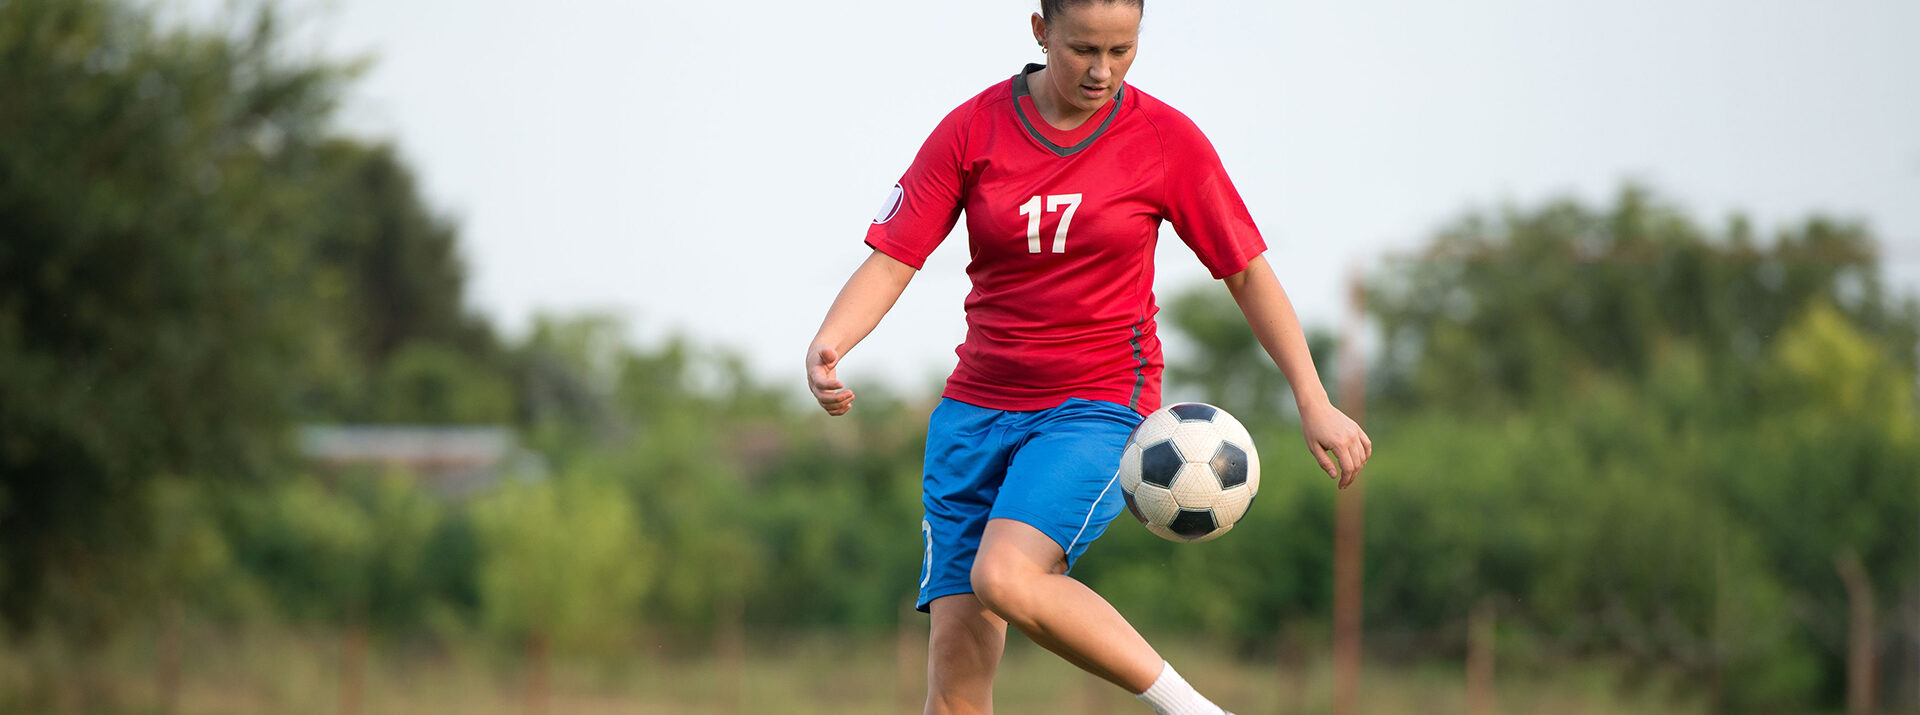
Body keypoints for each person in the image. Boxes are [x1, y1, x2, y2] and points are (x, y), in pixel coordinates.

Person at [805, 1, 1372, 712]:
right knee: (953, 688)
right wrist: (832, 342)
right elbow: (893, 258)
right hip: (972, 415)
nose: (1102, 69)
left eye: (1121, 49)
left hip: (1096, 408)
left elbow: (1248, 271)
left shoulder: (1166, 139)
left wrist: (1312, 398)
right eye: (1082, 49)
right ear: (1040, 31)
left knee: (1005, 575)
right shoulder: (972, 128)